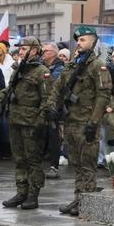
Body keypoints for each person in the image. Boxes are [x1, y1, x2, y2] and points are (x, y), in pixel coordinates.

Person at [45, 26, 111, 216]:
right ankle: (78, 198)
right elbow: (58, 87)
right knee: (76, 164)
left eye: (83, 40)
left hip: (87, 123)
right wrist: (52, 106)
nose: (79, 43)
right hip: (71, 121)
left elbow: (103, 96)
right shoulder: (74, 64)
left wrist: (94, 121)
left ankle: (86, 203)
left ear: (92, 41)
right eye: (78, 40)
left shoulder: (98, 66)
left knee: (88, 165)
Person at [0, 37, 51, 210]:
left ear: (34, 50)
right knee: (19, 159)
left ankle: (33, 195)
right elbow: (12, 87)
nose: (20, 51)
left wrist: (41, 121)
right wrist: (3, 94)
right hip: (15, 119)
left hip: (31, 122)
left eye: (23, 48)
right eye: (19, 49)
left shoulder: (42, 71)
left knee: (33, 160)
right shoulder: (19, 68)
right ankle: (21, 192)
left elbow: (47, 99)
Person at [42, 42, 66, 179]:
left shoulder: (59, 68)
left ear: (53, 53)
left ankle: (53, 166)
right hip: (42, 105)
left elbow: (54, 86)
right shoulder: (43, 66)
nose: (43, 53)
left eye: (46, 51)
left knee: (53, 137)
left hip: (54, 107)